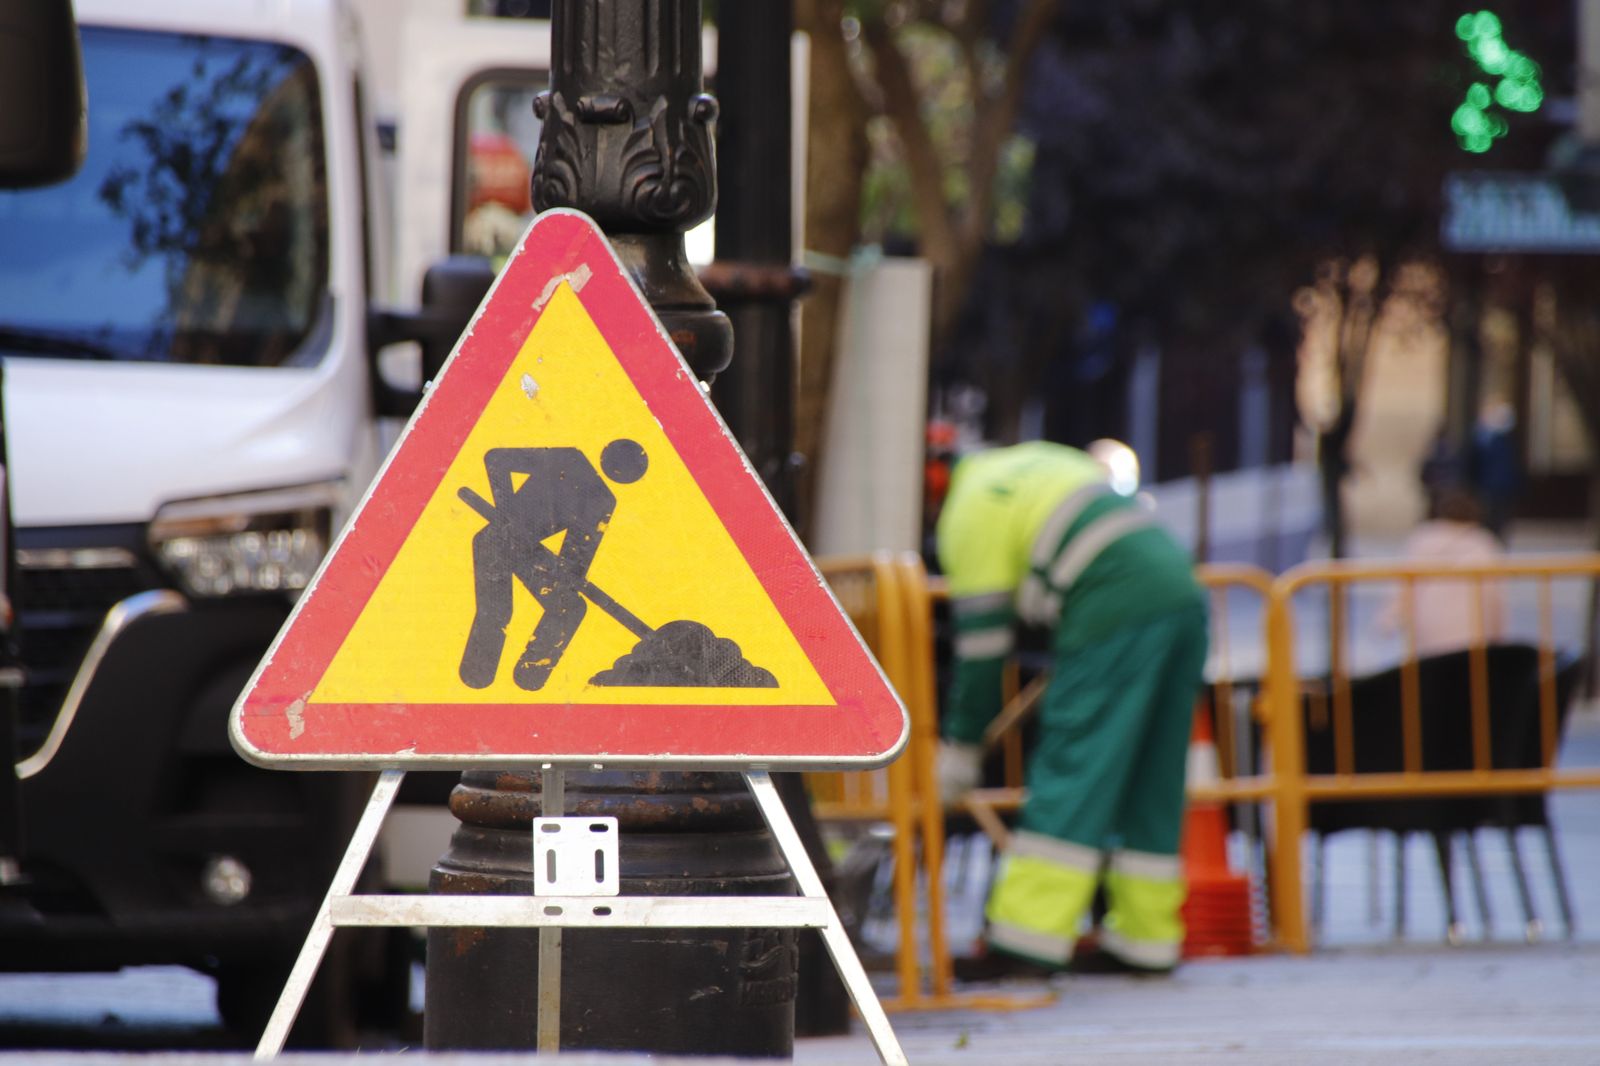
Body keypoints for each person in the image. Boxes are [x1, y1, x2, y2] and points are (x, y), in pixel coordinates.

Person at [935, 441, 1208, 975]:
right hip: (1180, 590)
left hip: (1112, 598)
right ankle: (1146, 940)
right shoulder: (1038, 459)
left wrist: (961, 747)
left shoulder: (970, 507)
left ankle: (1025, 943)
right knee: (1152, 773)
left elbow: (982, 652)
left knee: (1074, 765)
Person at [458, 439, 648, 691]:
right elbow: (495, 457)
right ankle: (476, 676)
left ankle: (529, 676)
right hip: (495, 542)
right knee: (497, 609)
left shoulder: (602, 501)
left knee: (570, 606)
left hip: (528, 552)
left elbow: (575, 558)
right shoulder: (568, 460)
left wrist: (568, 578)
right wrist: (506, 516)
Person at [1377, 486, 1506, 656]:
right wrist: (1497, 635)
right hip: (1471, 630)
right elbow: (1494, 594)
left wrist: (1389, 618)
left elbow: (1404, 584)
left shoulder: (1423, 538)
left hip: (1428, 627)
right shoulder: (1484, 543)